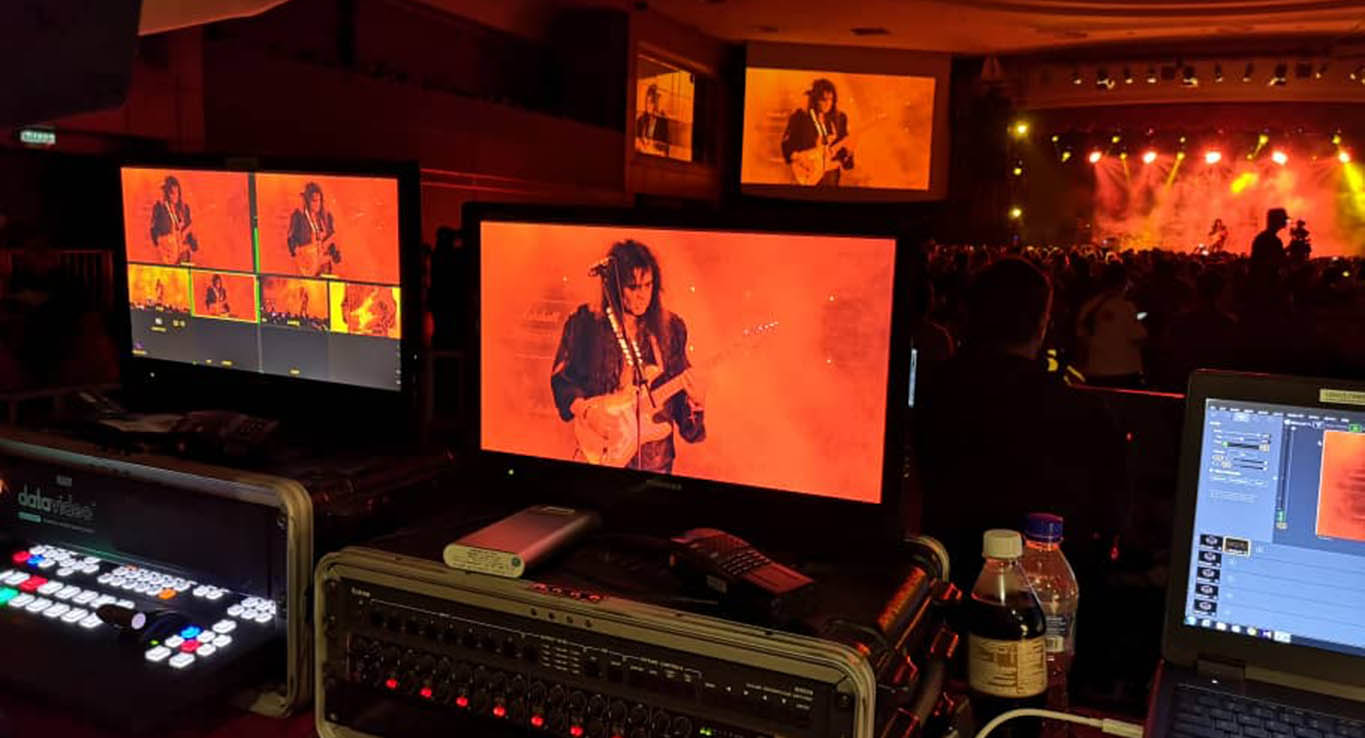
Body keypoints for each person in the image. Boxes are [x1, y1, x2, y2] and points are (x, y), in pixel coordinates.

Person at [914, 258, 1124, 589]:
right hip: (1041, 592)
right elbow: (1109, 516)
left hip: (941, 577)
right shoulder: (1083, 413)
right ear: (1042, 324)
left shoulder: (929, 392)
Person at [550, 240, 706, 473]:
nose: (643, 295)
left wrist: (696, 403)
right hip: (601, 451)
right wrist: (588, 412)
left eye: (648, 285)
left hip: (656, 463)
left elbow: (685, 420)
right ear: (615, 288)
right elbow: (562, 380)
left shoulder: (671, 329)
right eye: (633, 287)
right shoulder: (586, 322)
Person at [1075, 262, 1147, 387]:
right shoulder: (1126, 307)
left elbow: (1081, 337)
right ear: (1123, 283)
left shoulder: (1089, 306)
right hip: (1124, 371)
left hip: (1095, 370)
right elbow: (1138, 336)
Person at [780, 78, 852, 187]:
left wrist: (848, 155)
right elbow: (786, 145)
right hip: (807, 173)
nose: (828, 103)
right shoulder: (800, 117)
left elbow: (843, 154)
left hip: (830, 175)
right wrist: (799, 158)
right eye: (824, 99)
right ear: (815, 99)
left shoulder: (838, 120)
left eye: (831, 99)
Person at [287, 182, 341, 277]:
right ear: (307, 201)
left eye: (319, 200)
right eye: (314, 201)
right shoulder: (298, 217)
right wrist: (303, 257)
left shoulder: (325, 218)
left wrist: (334, 253)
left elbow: (331, 241)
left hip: (323, 266)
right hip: (308, 267)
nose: (317, 204)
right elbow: (291, 240)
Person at [149, 176, 198, 264]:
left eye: (177, 192)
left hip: (182, 252)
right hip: (168, 253)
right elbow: (153, 230)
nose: (175, 196)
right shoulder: (160, 208)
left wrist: (192, 243)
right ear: (166, 193)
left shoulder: (184, 208)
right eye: (172, 193)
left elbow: (189, 231)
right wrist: (162, 246)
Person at [635, 84, 672, 157]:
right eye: (648, 102)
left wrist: (655, 149)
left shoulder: (662, 122)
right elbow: (635, 143)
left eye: (653, 102)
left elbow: (666, 149)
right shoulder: (641, 120)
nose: (649, 106)